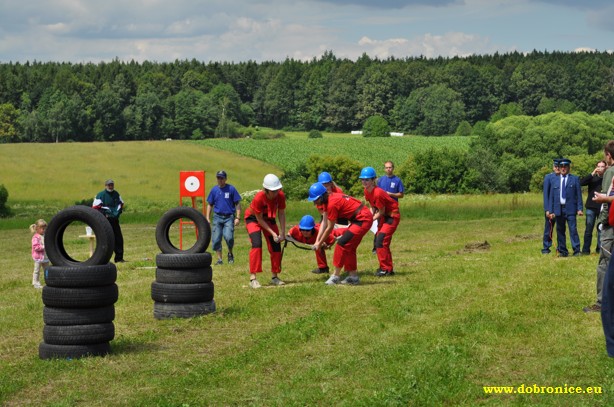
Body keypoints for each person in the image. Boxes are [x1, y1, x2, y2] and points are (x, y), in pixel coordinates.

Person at [308, 182, 373, 285]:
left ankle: (335, 276)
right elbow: (324, 223)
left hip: (362, 219)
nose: (315, 203)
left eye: (316, 200)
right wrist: (317, 242)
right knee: (350, 247)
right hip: (359, 219)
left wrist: (319, 244)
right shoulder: (327, 200)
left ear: (321, 196)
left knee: (342, 244)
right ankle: (353, 277)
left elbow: (329, 227)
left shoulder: (332, 203)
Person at [585, 141, 614, 313]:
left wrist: (601, 222)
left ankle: (602, 302)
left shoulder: (610, 171)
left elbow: (606, 199)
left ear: (608, 155)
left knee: (604, 262)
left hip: (610, 223)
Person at [244, 174, 286, 289]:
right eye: (273, 191)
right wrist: (273, 234)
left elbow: (281, 213)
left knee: (276, 245)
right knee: (257, 244)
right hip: (254, 219)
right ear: (266, 190)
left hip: (270, 219)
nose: (276, 193)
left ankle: (275, 277)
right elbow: (260, 219)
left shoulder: (280, 196)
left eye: (277, 190)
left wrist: (282, 232)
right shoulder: (259, 198)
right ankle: (253, 278)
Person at [360, 166, 400, 276]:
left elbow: (381, 211)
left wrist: (369, 220)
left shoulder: (377, 193)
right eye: (362, 179)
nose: (364, 182)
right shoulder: (367, 191)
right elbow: (373, 207)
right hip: (383, 216)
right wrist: (368, 217)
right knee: (379, 240)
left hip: (391, 216)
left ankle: (387, 269)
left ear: (373, 180)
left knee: (381, 241)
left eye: (367, 179)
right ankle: (385, 268)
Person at [547, 158, 583, 257]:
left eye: (565, 166)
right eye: (561, 167)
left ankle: (576, 250)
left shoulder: (574, 179)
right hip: (559, 209)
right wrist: (550, 210)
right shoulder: (554, 179)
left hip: (571, 208)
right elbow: (551, 197)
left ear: (568, 168)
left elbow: (578, 195)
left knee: (573, 230)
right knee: (560, 231)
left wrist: (579, 208)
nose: (563, 168)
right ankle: (563, 251)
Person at [206, 170, 242, 266]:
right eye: (218, 178)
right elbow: (210, 204)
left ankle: (230, 253)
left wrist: (238, 217)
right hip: (217, 217)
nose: (220, 180)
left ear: (225, 179)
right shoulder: (214, 190)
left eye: (222, 178)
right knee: (216, 238)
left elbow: (237, 203)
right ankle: (220, 259)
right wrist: (207, 217)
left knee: (228, 237)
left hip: (229, 217)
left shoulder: (231, 189)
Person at [93, 179, 125, 263]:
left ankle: (119, 258)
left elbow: (121, 204)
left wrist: (118, 213)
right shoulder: (100, 195)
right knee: (106, 239)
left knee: (119, 238)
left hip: (114, 220)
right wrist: (105, 214)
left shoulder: (116, 194)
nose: (110, 186)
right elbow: (95, 208)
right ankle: (104, 259)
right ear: (105, 185)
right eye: (109, 185)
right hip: (105, 221)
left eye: (112, 185)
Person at [580, 161, 606, 255]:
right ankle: (586, 250)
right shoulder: (592, 178)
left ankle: (599, 249)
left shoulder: (607, 178)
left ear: (606, 168)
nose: (600, 168)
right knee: (588, 229)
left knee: (600, 229)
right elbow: (581, 182)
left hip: (602, 207)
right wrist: (592, 173)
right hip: (591, 207)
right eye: (598, 166)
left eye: (602, 166)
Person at [542, 159, 560, 254]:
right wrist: (547, 209)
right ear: (553, 167)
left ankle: (561, 247)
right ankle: (546, 247)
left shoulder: (563, 177)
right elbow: (546, 195)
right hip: (551, 207)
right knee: (548, 229)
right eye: (556, 166)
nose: (557, 168)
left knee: (560, 229)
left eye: (559, 166)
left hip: (560, 208)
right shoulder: (548, 177)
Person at [30, 219, 49, 289]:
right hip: (38, 258)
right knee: (37, 271)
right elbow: (36, 247)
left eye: (45, 228)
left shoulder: (45, 236)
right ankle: (35, 283)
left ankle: (48, 281)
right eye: (42, 228)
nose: (44, 230)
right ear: (37, 229)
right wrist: (44, 247)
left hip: (46, 257)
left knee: (47, 270)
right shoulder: (36, 237)